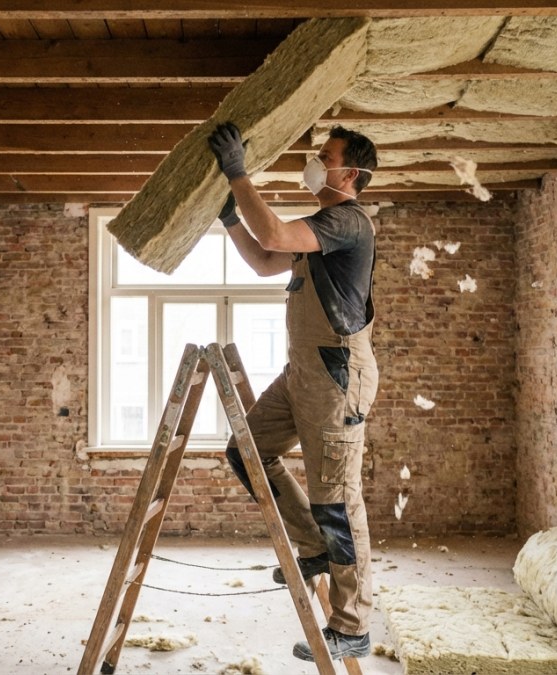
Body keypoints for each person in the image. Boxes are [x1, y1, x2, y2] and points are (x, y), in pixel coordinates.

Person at [208, 122, 379, 662]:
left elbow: (276, 237)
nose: (314, 161)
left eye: (323, 156)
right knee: (246, 451)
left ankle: (351, 624)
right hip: (301, 372)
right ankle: (312, 553)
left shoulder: (348, 222)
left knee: (338, 502)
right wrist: (232, 220)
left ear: (349, 172)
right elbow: (264, 260)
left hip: (337, 377)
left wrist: (238, 174)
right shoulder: (320, 234)